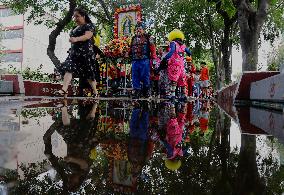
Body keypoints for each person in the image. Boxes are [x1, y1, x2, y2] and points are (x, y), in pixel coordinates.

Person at [43, 100, 99, 193]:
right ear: (77, 182)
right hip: (83, 142)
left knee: (63, 126)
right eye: (72, 182)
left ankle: (65, 106)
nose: (70, 180)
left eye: (69, 182)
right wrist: (72, 159)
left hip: (71, 141)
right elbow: (84, 164)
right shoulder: (83, 173)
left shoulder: (71, 169)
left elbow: (68, 155)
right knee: (87, 124)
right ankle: (95, 103)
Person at [56, 7, 100, 98]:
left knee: (89, 74)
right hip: (74, 54)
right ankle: (64, 90)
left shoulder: (89, 25)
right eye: (74, 16)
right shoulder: (74, 28)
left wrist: (76, 39)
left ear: (83, 16)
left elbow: (88, 36)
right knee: (69, 68)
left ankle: (95, 92)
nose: (75, 18)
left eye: (77, 16)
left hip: (85, 54)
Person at [162, 29, 192, 101]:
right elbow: (189, 52)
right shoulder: (183, 45)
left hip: (174, 64)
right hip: (181, 66)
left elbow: (171, 51)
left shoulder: (173, 43)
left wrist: (165, 58)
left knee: (174, 81)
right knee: (182, 80)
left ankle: (172, 96)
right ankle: (184, 95)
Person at [129, 22, 157, 99]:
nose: (138, 30)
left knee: (145, 75)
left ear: (143, 30)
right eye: (137, 29)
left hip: (144, 60)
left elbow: (153, 48)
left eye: (140, 29)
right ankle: (137, 91)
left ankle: (146, 90)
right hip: (135, 60)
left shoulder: (148, 37)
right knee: (135, 75)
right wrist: (127, 54)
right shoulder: (133, 38)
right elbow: (131, 48)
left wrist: (154, 58)